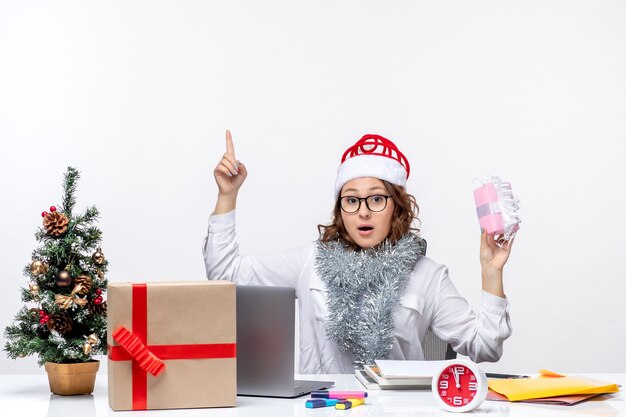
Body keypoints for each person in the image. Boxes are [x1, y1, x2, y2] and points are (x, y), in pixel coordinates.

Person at [204, 131, 514, 374]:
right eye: (351, 200)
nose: (363, 212)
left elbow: (485, 347)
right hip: (322, 407)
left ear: (397, 208)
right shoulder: (311, 261)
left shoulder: (428, 276)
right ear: (341, 210)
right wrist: (227, 195)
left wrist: (492, 272)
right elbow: (225, 274)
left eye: (376, 199)